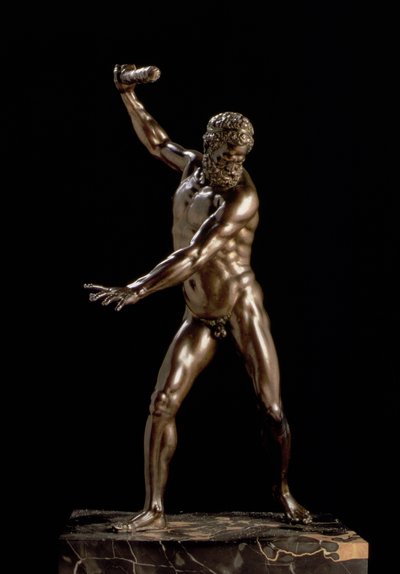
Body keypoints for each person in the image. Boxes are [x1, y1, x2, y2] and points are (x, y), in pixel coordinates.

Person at [85, 64, 311, 531]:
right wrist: (127, 94)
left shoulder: (240, 198)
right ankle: (153, 508)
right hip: (199, 310)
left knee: (272, 410)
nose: (234, 163)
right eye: (227, 154)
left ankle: (283, 490)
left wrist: (138, 288)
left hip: (239, 305)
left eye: (241, 155)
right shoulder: (190, 168)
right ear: (209, 147)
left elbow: (194, 255)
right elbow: (156, 141)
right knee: (162, 402)